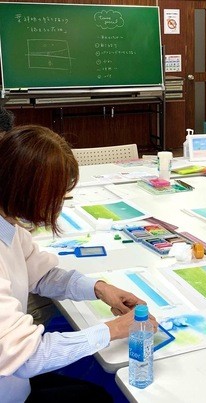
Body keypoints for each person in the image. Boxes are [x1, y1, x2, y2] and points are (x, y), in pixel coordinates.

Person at [0, 125, 157, 402]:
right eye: (54, 197)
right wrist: (114, 329)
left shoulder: (9, 223)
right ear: (25, 190)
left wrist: (99, 288)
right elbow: (25, 356)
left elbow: (41, 275)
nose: (57, 206)